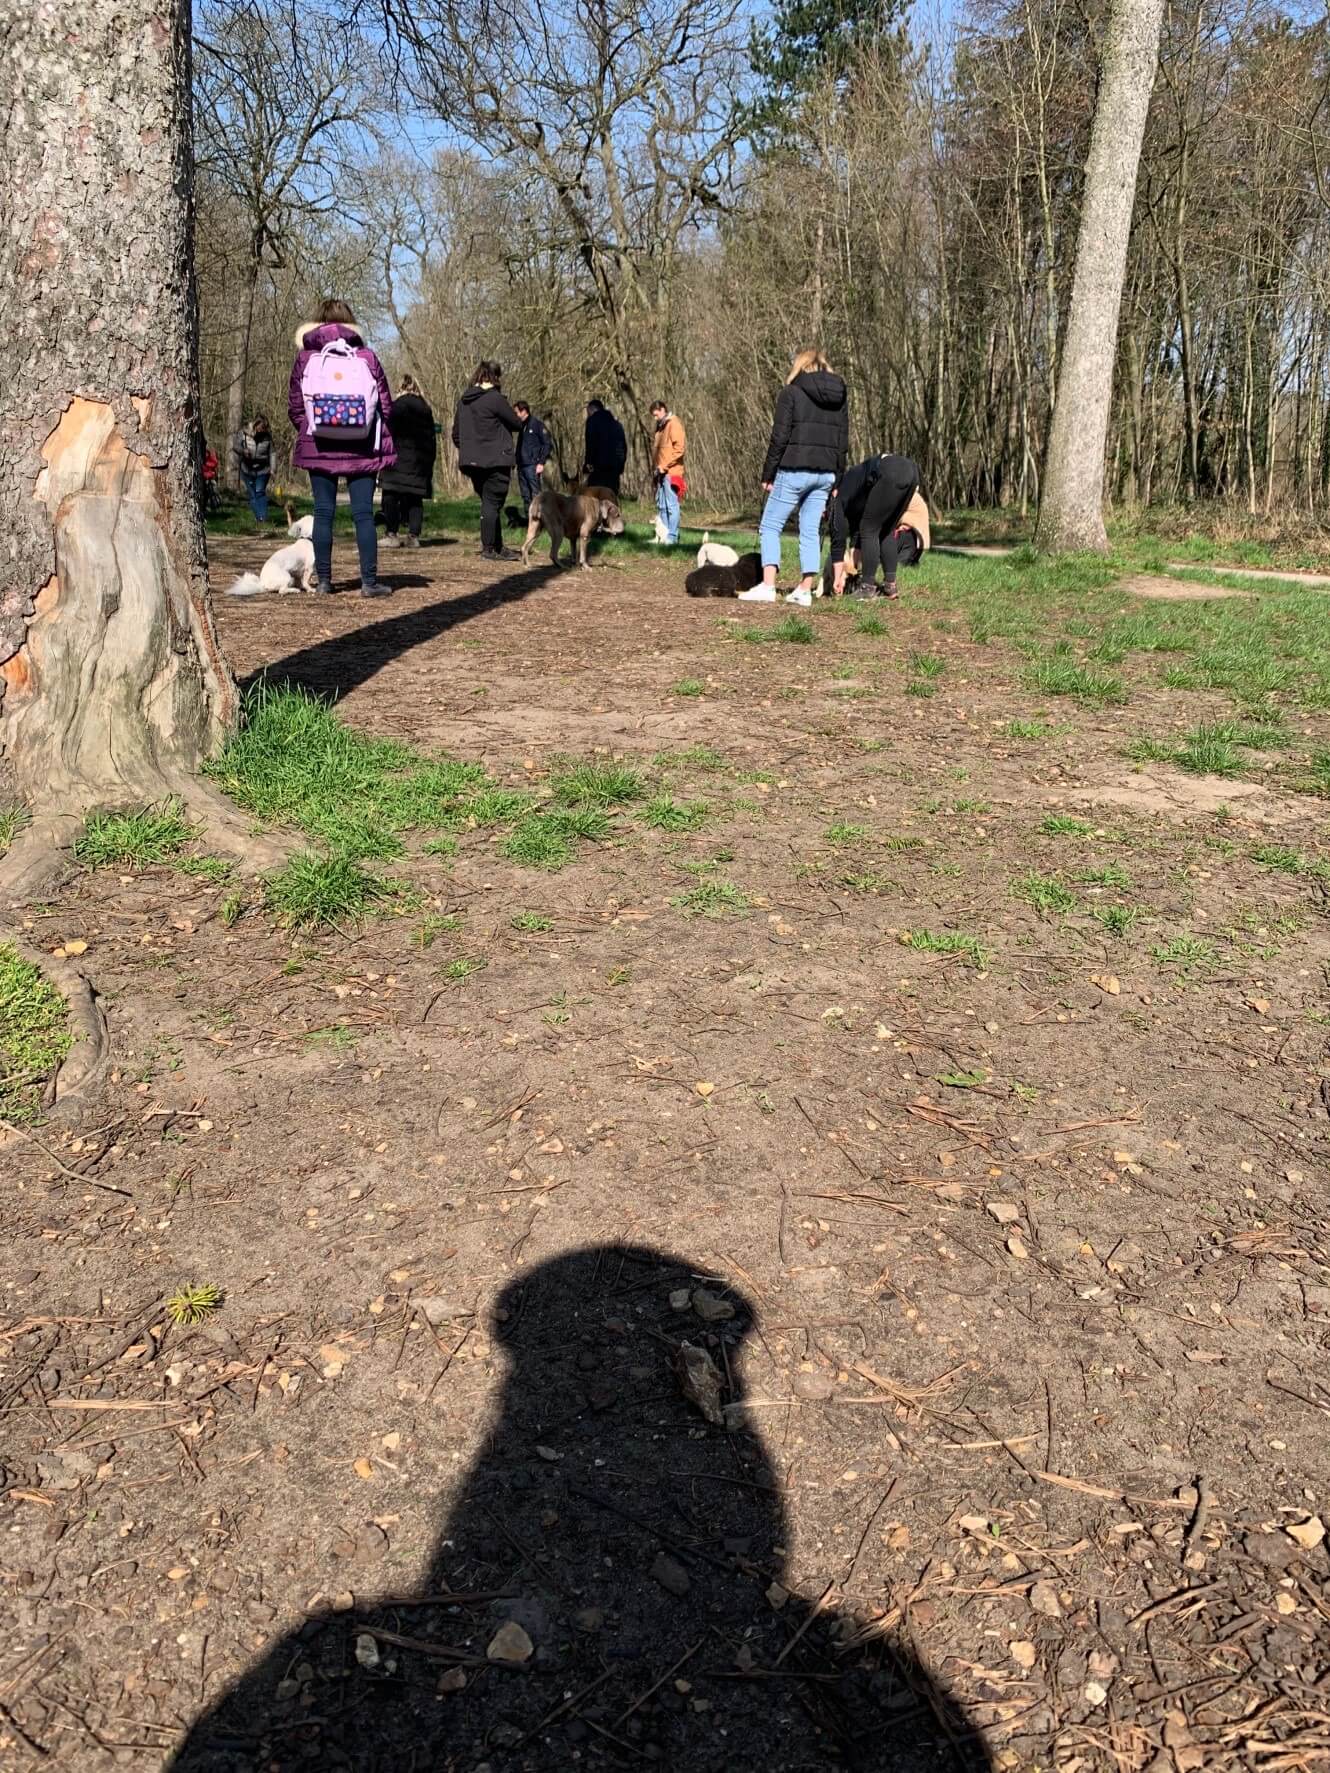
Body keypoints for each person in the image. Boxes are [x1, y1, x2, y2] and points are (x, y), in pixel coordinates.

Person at [288, 299, 396, 599]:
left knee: (324, 513)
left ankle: (324, 581)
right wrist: (370, 430)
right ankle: (369, 582)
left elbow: (296, 407)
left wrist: (309, 428)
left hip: (319, 444)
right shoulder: (366, 356)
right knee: (363, 513)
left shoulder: (307, 358)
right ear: (352, 324)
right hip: (361, 445)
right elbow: (385, 405)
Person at [740, 349, 849, 607]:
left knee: (770, 525)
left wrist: (768, 474)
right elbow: (843, 440)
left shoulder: (790, 393)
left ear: (799, 367)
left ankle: (768, 585)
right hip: (825, 474)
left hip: (794, 469)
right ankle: (804, 589)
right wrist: (838, 478)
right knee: (810, 530)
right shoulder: (840, 396)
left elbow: (779, 437)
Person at [827, 454, 925, 599]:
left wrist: (837, 576)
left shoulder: (837, 497)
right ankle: (890, 586)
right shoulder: (853, 491)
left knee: (869, 530)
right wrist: (852, 569)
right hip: (911, 472)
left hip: (892, 471)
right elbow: (856, 534)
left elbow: (838, 535)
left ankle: (867, 587)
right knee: (887, 529)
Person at [452, 360, 522, 561]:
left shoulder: (464, 401)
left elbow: (456, 434)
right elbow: (516, 423)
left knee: (489, 503)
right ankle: (489, 548)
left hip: (472, 462)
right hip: (496, 459)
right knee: (492, 503)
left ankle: (497, 546)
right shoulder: (495, 398)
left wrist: (469, 451)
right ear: (495, 377)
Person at [379, 373, 436, 550]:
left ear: (401, 388)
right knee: (415, 498)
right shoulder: (426, 410)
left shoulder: (395, 408)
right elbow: (431, 439)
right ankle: (413, 536)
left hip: (396, 461)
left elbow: (386, 433)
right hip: (419, 462)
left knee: (390, 496)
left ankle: (392, 534)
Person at [650, 398, 687, 544]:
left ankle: (672, 536)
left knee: (672, 506)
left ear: (663, 410)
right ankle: (664, 536)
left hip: (671, 473)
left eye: (656, 414)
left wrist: (664, 466)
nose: (655, 418)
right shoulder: (660, 427)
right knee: (662, 506)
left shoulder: (674, 424)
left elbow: (679, 450)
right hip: (660, 473)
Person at [231, 413, 273, 527]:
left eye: (265, 428)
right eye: (261, 428)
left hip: (263, 469)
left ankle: (263, 518)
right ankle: (259, 517)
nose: (262, 430)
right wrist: (243, 451)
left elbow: (272, 452)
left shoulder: (267, 436)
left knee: (260, 492)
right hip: (247, 469)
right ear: (255, 425)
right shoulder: (243, 433)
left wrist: (273, 468)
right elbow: (235, 446)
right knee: (252, 494)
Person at [583, 396, 627, 494]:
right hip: (614, 469)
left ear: (592, 409)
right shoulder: (617, 425)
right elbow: (623, 447)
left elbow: (590, 443)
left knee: (596, 498)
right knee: (611, 496)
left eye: (588, 412)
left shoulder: (592, 422)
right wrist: (620, 465)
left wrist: (588, 462)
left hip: (598, 468)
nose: (588, 415)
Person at [513, 400, 552, 511]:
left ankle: (539, 521)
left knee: (536, 495)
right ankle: (528, 522)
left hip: (532, 465)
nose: (515, 415)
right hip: (521, 465)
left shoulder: (537, 425)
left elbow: (547, 444)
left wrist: (541, 462)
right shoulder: (521, 426)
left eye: (516, 412)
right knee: (525, 495)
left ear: (523, 411)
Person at [200, 444, 220, 515]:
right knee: (205, 494)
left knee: (212, 493)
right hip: (204, 479)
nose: (206, 454)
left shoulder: (210, 458)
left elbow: (214, 463)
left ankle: (214, 506)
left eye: (207, 453)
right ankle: (205, 507)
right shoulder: (201, 459)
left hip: (210, 479)